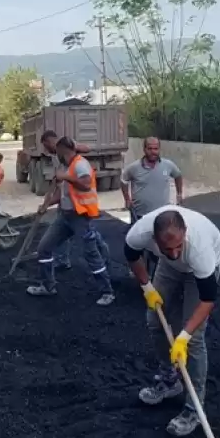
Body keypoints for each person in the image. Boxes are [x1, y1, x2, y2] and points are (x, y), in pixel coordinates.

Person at [124, 205, 220, 437]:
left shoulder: (201, 252)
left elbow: (208, 301)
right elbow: (131, 255)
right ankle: (170, 380)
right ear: (154, 241)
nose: (176, 251)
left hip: (199, 270)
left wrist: (183, 336)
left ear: (185, 232)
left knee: (194, 340)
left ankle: (194, 410)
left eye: (179, 245)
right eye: (168, 247)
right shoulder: (139, 234)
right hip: (168, 267)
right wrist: (147, 287)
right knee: (155, 321)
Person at [27, 136, 115, 306]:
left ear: (62, 151)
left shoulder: (80, 164)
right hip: (65, 217)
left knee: (91, 254)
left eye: (56, 151)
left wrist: (66, 177)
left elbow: (86, 184)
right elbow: (63, 194)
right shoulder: (66, 166)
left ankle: (107, 292)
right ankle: (48, 286)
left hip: (81, 217)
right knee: (44, 248)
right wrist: (47, 205)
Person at [39, 130, 110, 271]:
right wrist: (47, 203)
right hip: (67, 201)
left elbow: (83, 180)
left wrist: (72, 148)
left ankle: (104, 262)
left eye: (46, 145)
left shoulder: (72, 155)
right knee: (63, 230)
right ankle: (63, 260)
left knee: (91, 239)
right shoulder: (55, 157)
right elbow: (59, 182)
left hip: (80, 208)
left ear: (50, 142)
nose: (45, 149)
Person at [121, 136, 183, 276]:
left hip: (161, 215)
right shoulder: (134, 168)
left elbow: (178, 175)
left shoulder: (168, 165)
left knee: (159, 244)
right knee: (138, 243)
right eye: (150, 148)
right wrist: (127, 199)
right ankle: (138, 271)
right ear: (144, 149)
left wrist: (179, 194)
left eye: (156, 148)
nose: (153, 152)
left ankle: (158, 273)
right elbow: (123, 181)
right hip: (140, 214)